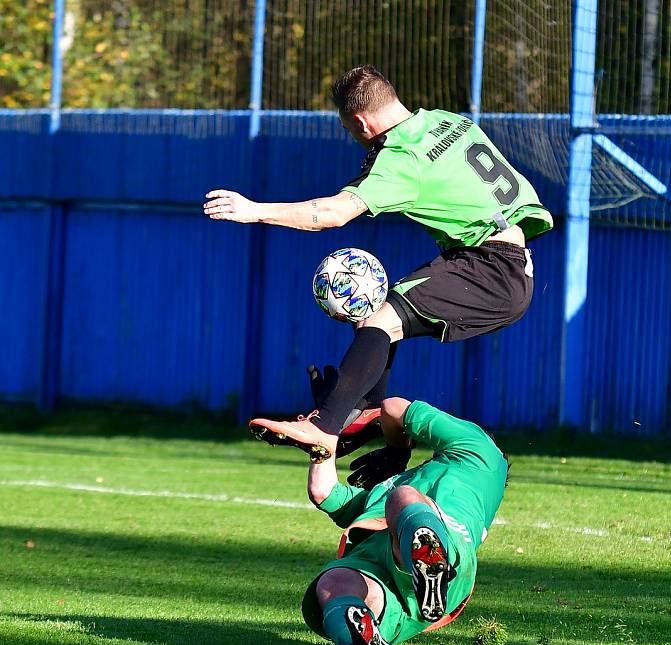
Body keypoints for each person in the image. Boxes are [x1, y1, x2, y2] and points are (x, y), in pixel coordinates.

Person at [203, 65, 553, 462]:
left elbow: (334, 213)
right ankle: (369, 420)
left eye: (351, 132)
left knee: (377, 321)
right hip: (503, 260)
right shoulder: (447, 122)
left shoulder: (400, 159)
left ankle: (324, 426)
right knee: (382, 321)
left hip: (489, 267)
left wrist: (255, 210)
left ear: (360, 121)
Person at [300, 395, 508, 645]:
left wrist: (396, 450)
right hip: (398, 587)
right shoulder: (396, 484)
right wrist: (325, 430)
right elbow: (323, 492)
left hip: (443, 539)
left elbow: (393, 407)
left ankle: (429, 561)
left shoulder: (481, 446)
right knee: (334, 583)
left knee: (404, 498)